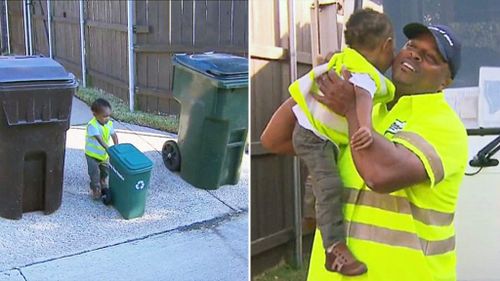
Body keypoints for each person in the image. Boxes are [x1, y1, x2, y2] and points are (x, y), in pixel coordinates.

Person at [261, 22, 467, 281]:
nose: (415, 54)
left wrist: (350, 109)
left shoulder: (445, 126)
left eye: (431, 58)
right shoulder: (369, 106)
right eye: (411, 46)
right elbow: (274, 139)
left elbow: (379, 175)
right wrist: (321, 81)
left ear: (445, 82)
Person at [289, 8, 395, 275]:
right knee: (330, 185)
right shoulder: (364, 75)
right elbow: (362, 98)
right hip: (313, 137)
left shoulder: (345, 60)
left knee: (322, 181)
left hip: (314, 132)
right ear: (387, 46)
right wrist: (366, 128)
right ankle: (334, 248)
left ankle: (312, 214)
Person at [85, 98, 119, 200]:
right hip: (92, 155)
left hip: (104, 155)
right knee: (94, 173)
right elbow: (100, 140)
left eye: (109, 115)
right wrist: (109, 149)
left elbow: (114, 135)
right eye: (104, 116)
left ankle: (103, 181)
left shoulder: (109, 124)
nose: (107, 118)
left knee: (105, 172)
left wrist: (116, 146)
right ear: (95, 115)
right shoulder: (92, 125)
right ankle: (95, 188)